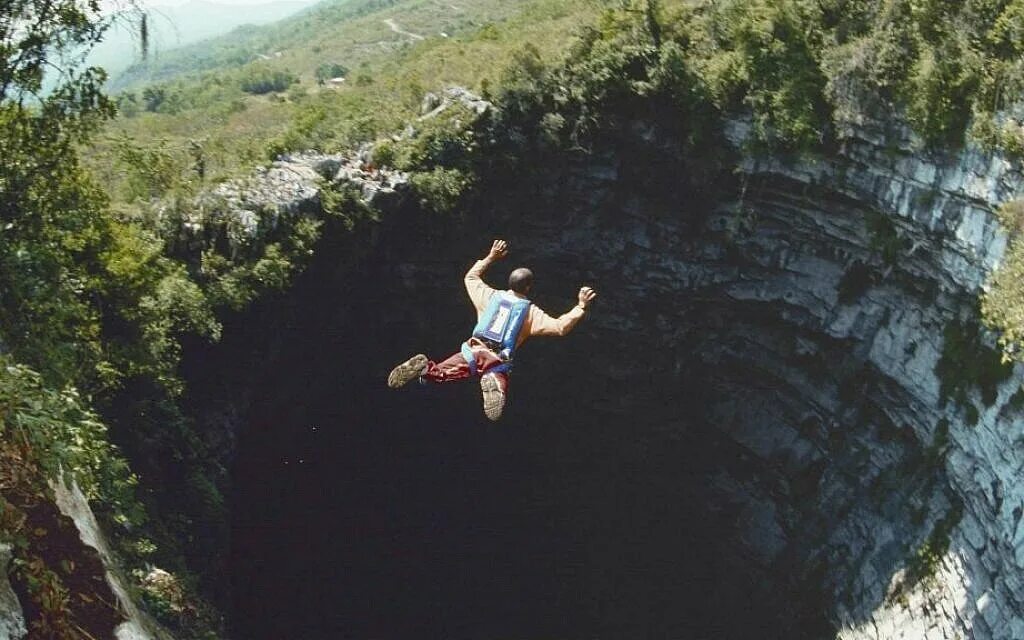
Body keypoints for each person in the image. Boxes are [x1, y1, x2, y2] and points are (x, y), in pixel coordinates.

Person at [387, 239, 597, 421]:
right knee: (499, 378)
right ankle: (494, 382)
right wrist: (580, 306)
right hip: (496, 360)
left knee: (441, 374)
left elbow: (470, 278)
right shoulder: (531, 313)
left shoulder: (489, 297)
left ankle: (425, 369)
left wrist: (491, 257)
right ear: (529, 287)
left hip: (472, 350)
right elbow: (560, 327)